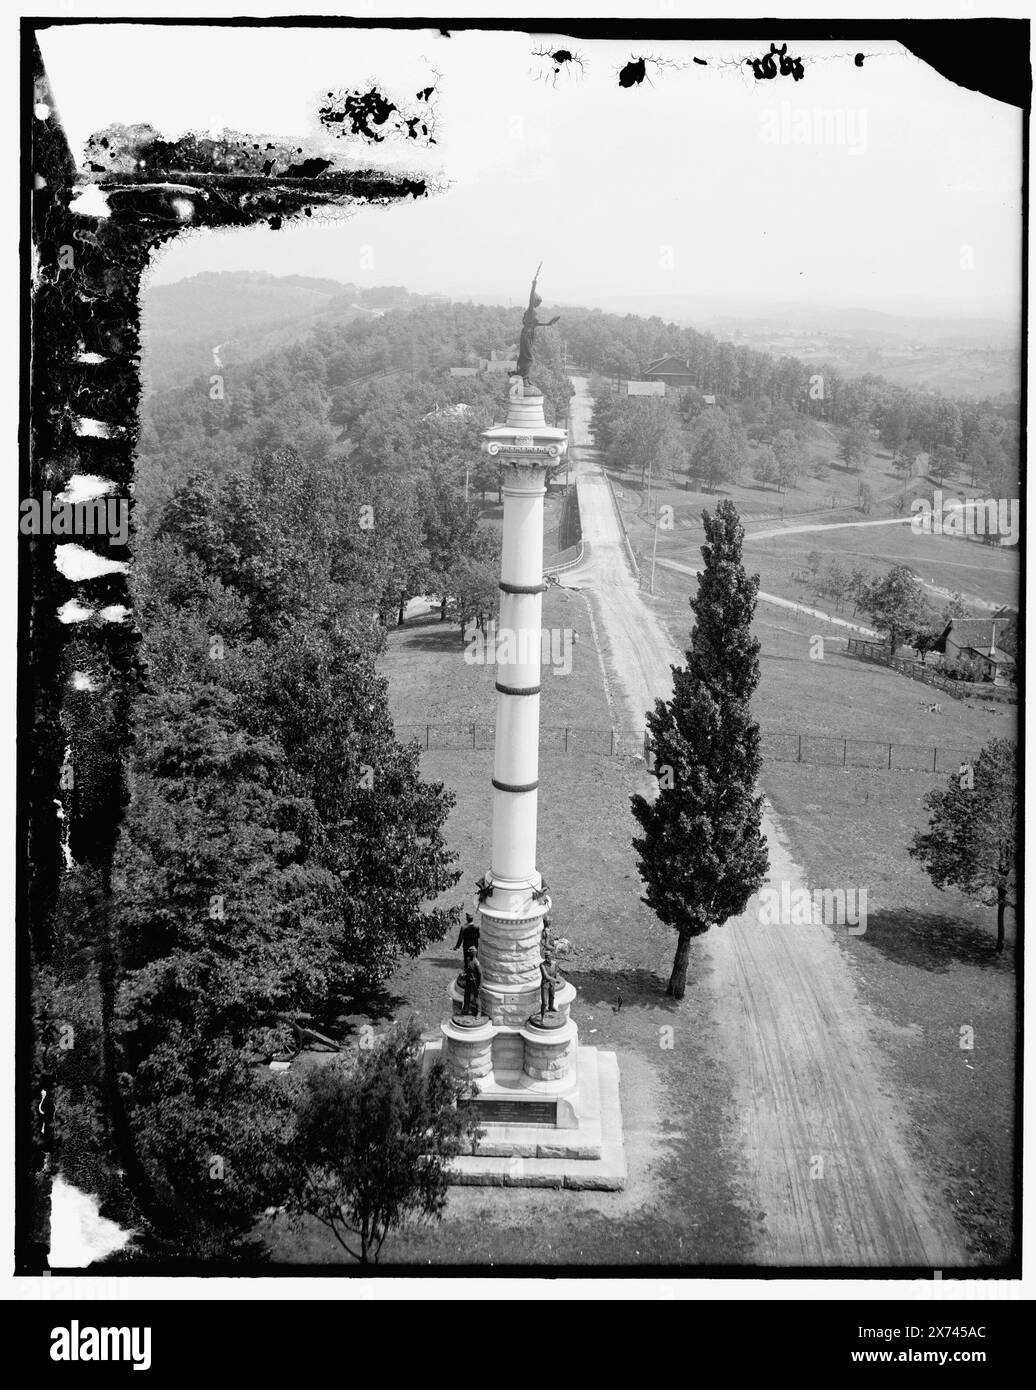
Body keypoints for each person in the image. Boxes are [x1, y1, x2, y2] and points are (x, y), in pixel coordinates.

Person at [516, 263, 560, 389]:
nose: (539, 305)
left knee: (527, 358)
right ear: (534, 301)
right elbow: (530, 298)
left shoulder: (533, 313)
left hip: (530, 335)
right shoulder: (530, 309)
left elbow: (535, 324)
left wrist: (548, 323)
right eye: (538, 302)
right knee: (528, 358)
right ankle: (524, 379)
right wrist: (534, 284)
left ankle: (526, 378)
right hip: (526, 335)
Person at [462, 946, 483, 1017]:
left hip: (475, 983)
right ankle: (466, 1008)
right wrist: (464, 974)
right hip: (468, 981)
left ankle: (479, 1012)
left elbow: (480, 975)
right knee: (466, 995)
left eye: (470, 952)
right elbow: (467, 970)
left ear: (474, 953)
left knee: (477, 997)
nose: (469, 953)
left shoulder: (477, 963)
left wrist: (480, 986)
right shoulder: (468, 960)